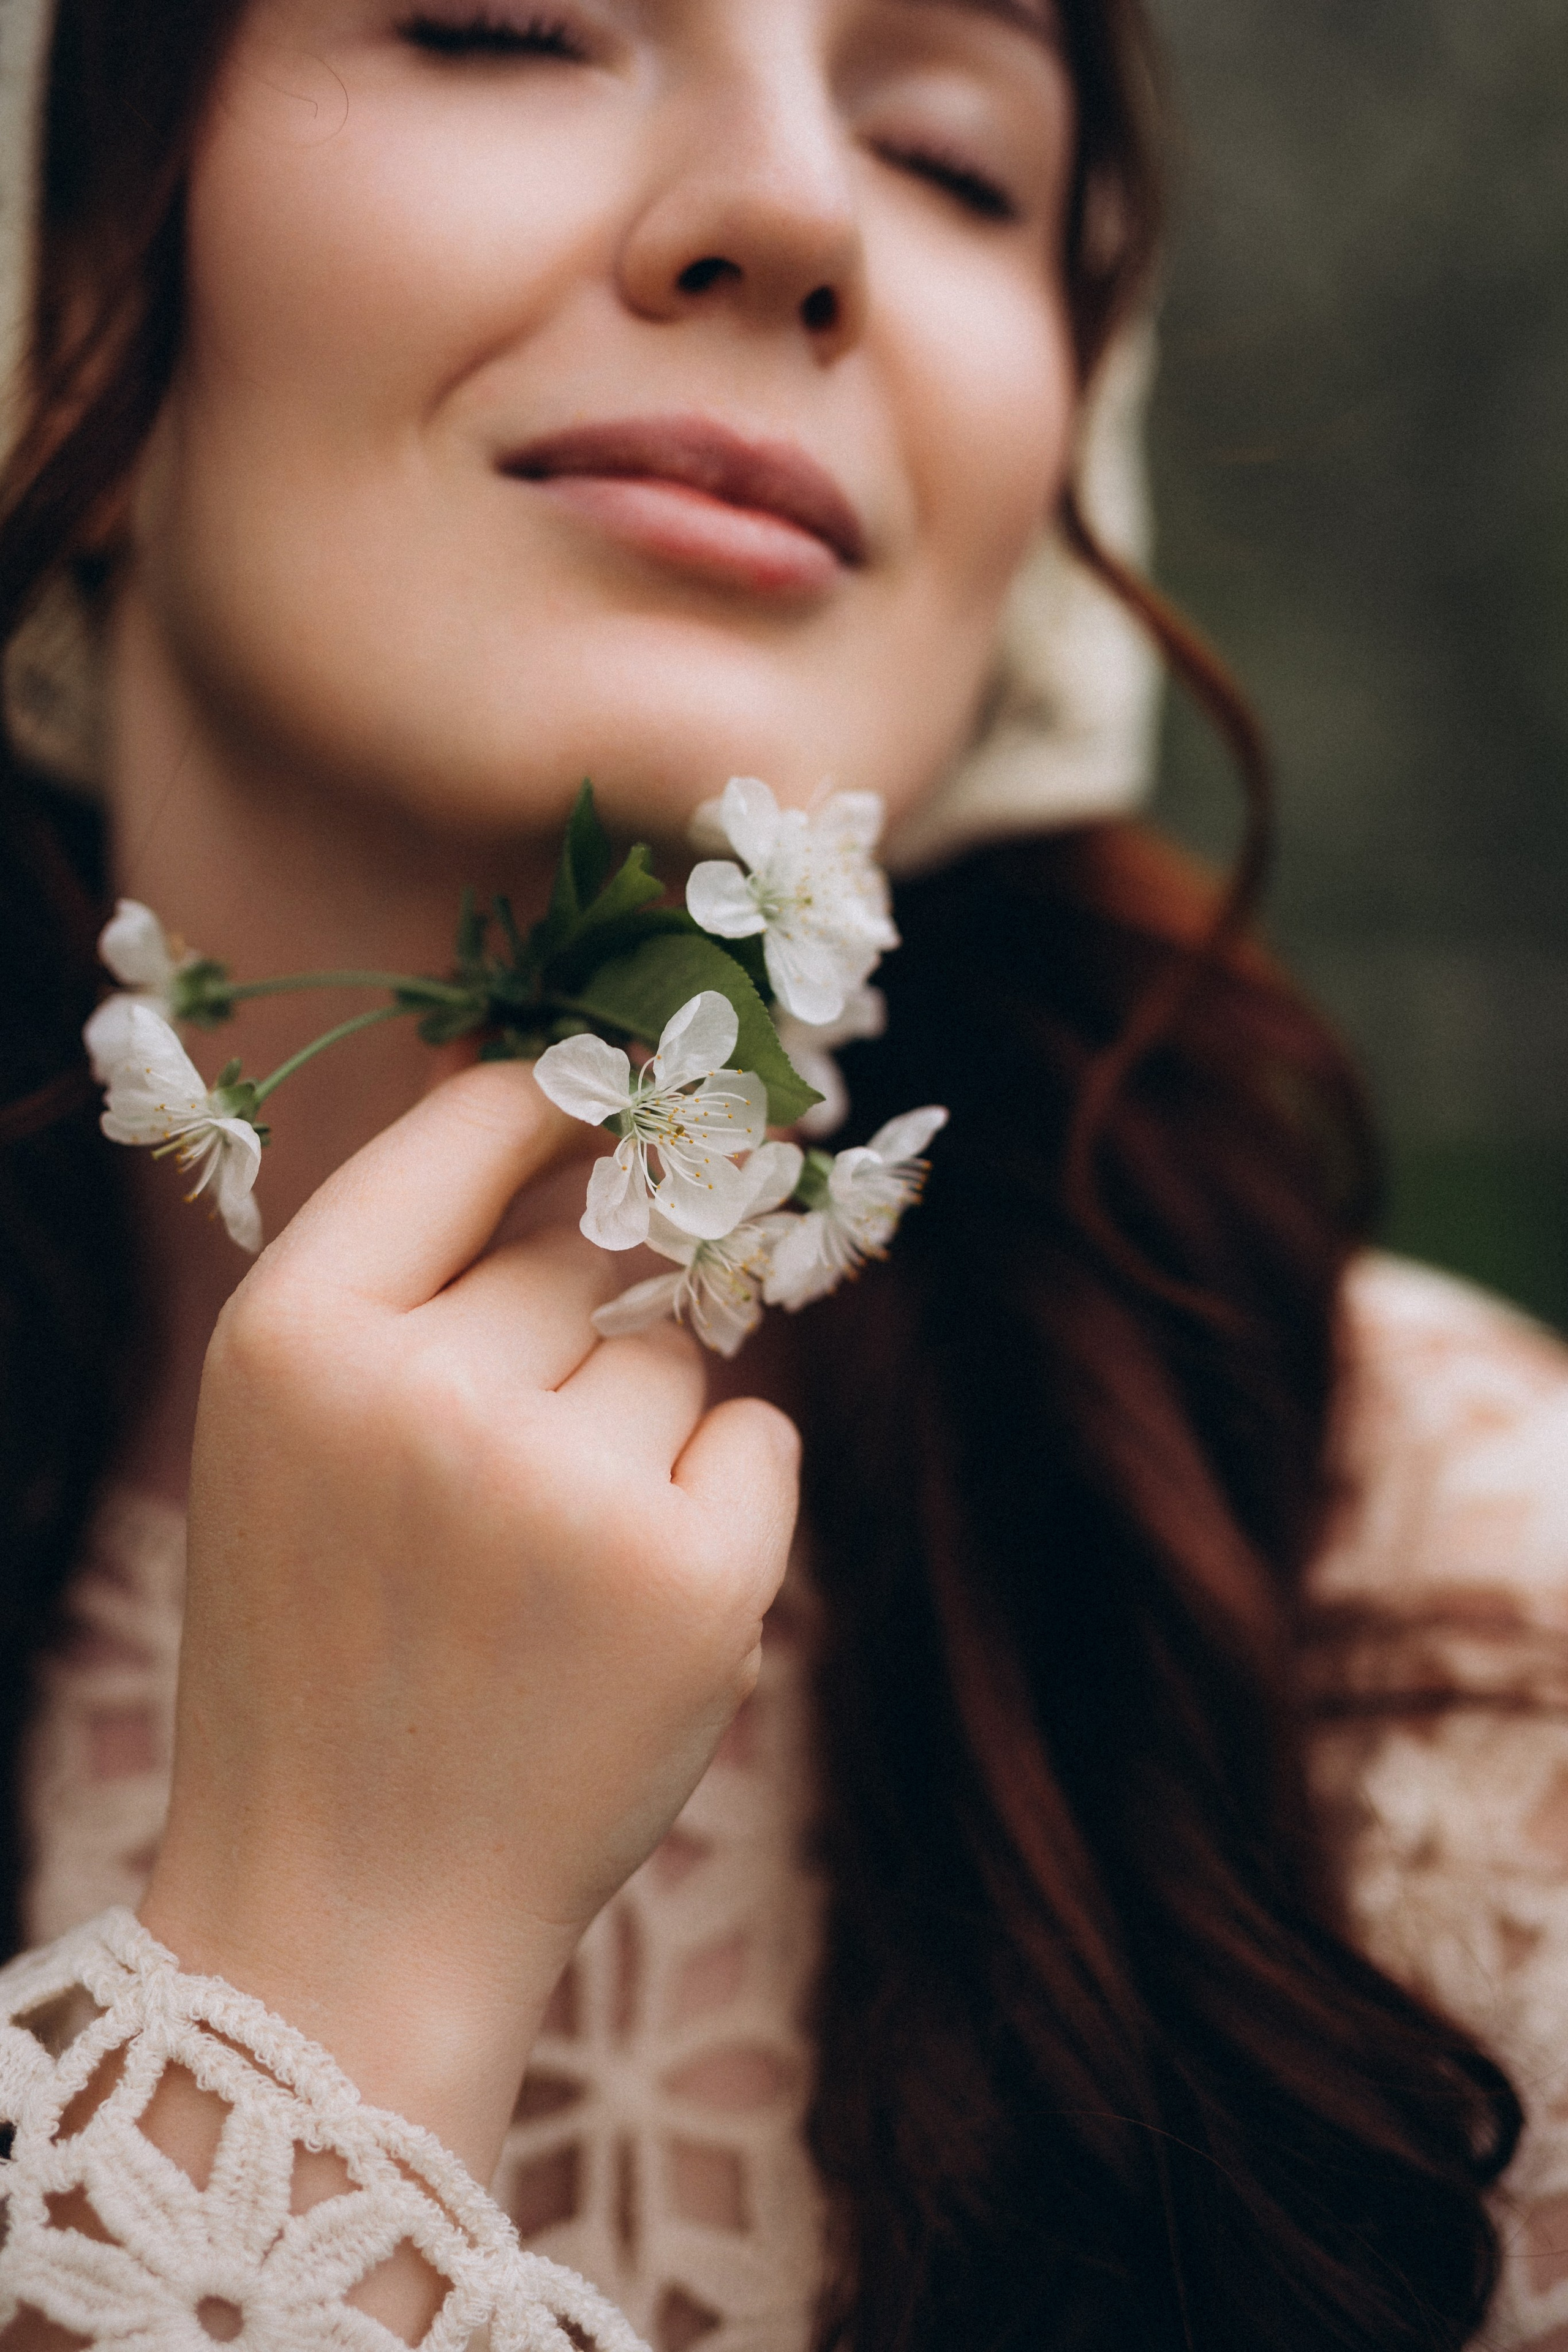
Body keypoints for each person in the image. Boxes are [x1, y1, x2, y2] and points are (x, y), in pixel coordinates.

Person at [2, 2, 1567, 2346]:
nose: (797, 211)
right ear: (60, 290)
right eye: (509, 21)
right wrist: (325, 1962)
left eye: (951, 156)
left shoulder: (1464, 1629)